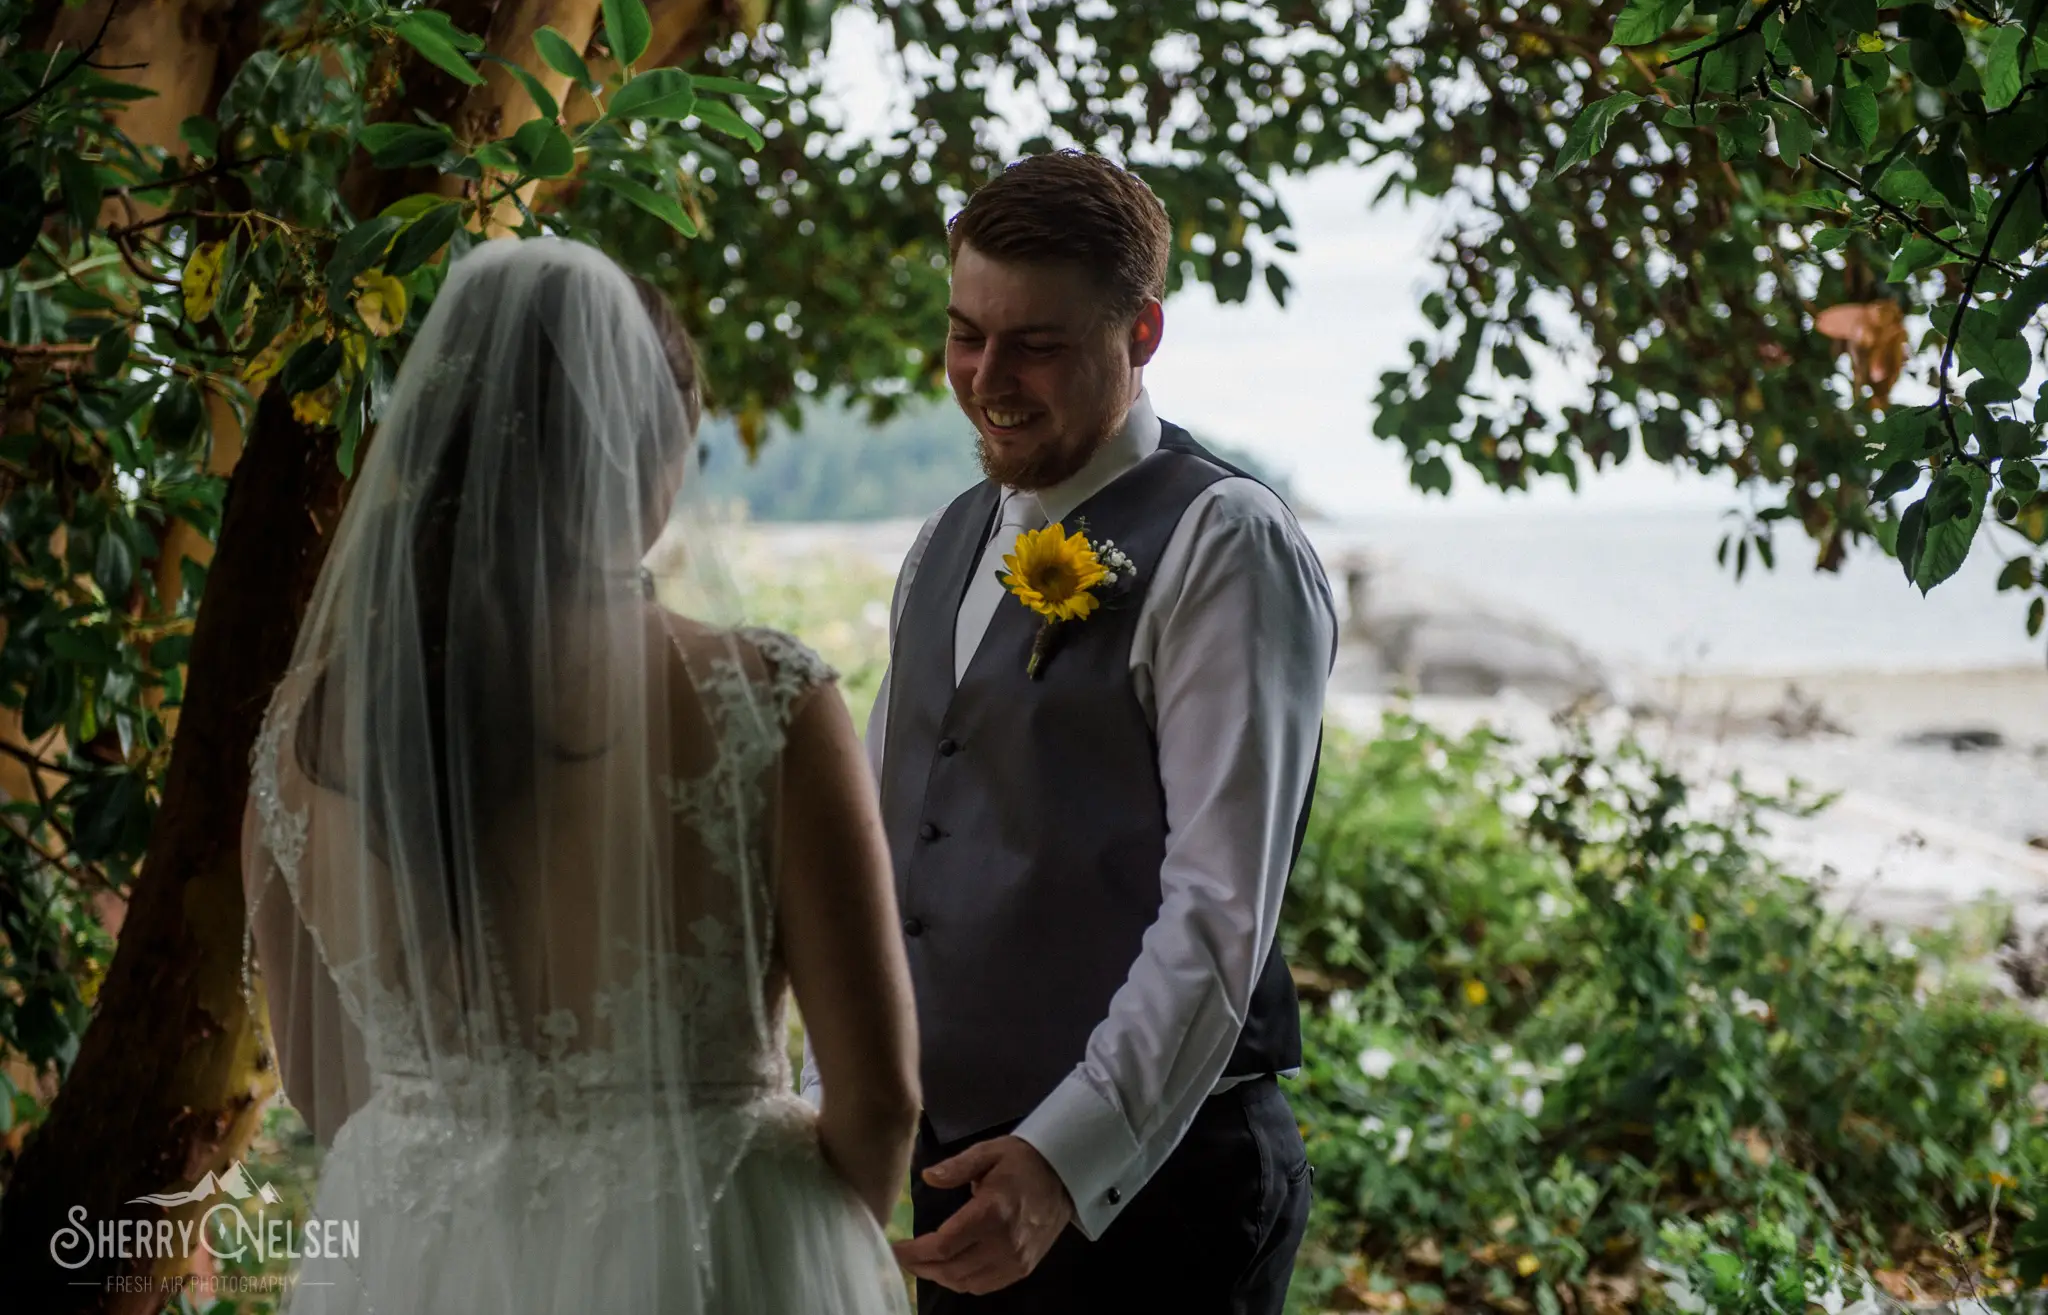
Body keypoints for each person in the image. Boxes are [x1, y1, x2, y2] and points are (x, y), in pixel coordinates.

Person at [241, 236, 919, 1314]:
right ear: (654, 451)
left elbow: (325, 1088)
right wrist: (800, 1256)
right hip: (710, 1254)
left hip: (422, 1256)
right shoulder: (764, 698)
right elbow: (879, 1099)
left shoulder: (309, 727)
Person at [803, 150, 1337, 1312]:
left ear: (1140, 334)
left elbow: (1218, 906)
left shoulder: (1223, 543)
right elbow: (892, 854)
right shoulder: (944, 539)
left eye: (1034, 344)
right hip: (960, 1183)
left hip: (1157, 1193)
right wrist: (820, 1103)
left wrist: (1062, 1157)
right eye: (963, 334)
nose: (987, 378)